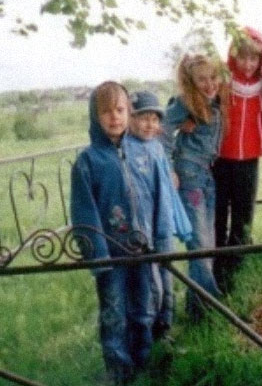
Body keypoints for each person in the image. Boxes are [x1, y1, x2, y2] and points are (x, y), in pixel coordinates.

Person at [70, 81, 178, 384]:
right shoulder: (88, 162)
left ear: (129, 112)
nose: (114, 117)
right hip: (111, 255)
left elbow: (162, 200)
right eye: (106, 112)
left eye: (120, 110)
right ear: (95, 116)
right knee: (114, 312)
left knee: (145, 306)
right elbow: (84, 212)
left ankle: (145, 360)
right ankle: (119, 369)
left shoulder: (146, 153)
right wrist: (98, 257)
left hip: (144, 250)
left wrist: (162, 241)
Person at [161, 53, 229, 321]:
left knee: (207, 241)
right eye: (202, 79)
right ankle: (212, 305)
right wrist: (168, 168)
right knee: (199, 244)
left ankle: (197, 307)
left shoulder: (213, 101)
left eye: (213, 77)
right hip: (189, 174)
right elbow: (162, 129)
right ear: (191, 81)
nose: (210, 84)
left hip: (206, 174)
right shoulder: (184, 102)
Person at [213, 27, 262, 291]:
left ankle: (237, 264)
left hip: (249, 156)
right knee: (218, 211)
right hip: (219, 156)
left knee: (243, 213)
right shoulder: (223, 79)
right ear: (233, 56)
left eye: (254, 58)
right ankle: (216, 262)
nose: (249, 64)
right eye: (243, 57)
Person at [129, 90, 192, 342]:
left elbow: (168, 188)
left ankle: (165, 328)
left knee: (167, 275)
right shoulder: (125, 149)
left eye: (154, 119)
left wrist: (180, 221)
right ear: (131, 119)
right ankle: (146, 332)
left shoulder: (156, 148)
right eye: (143, 118)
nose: (149, 124)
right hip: (142, 227)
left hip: (162, 223)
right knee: (148, 279)